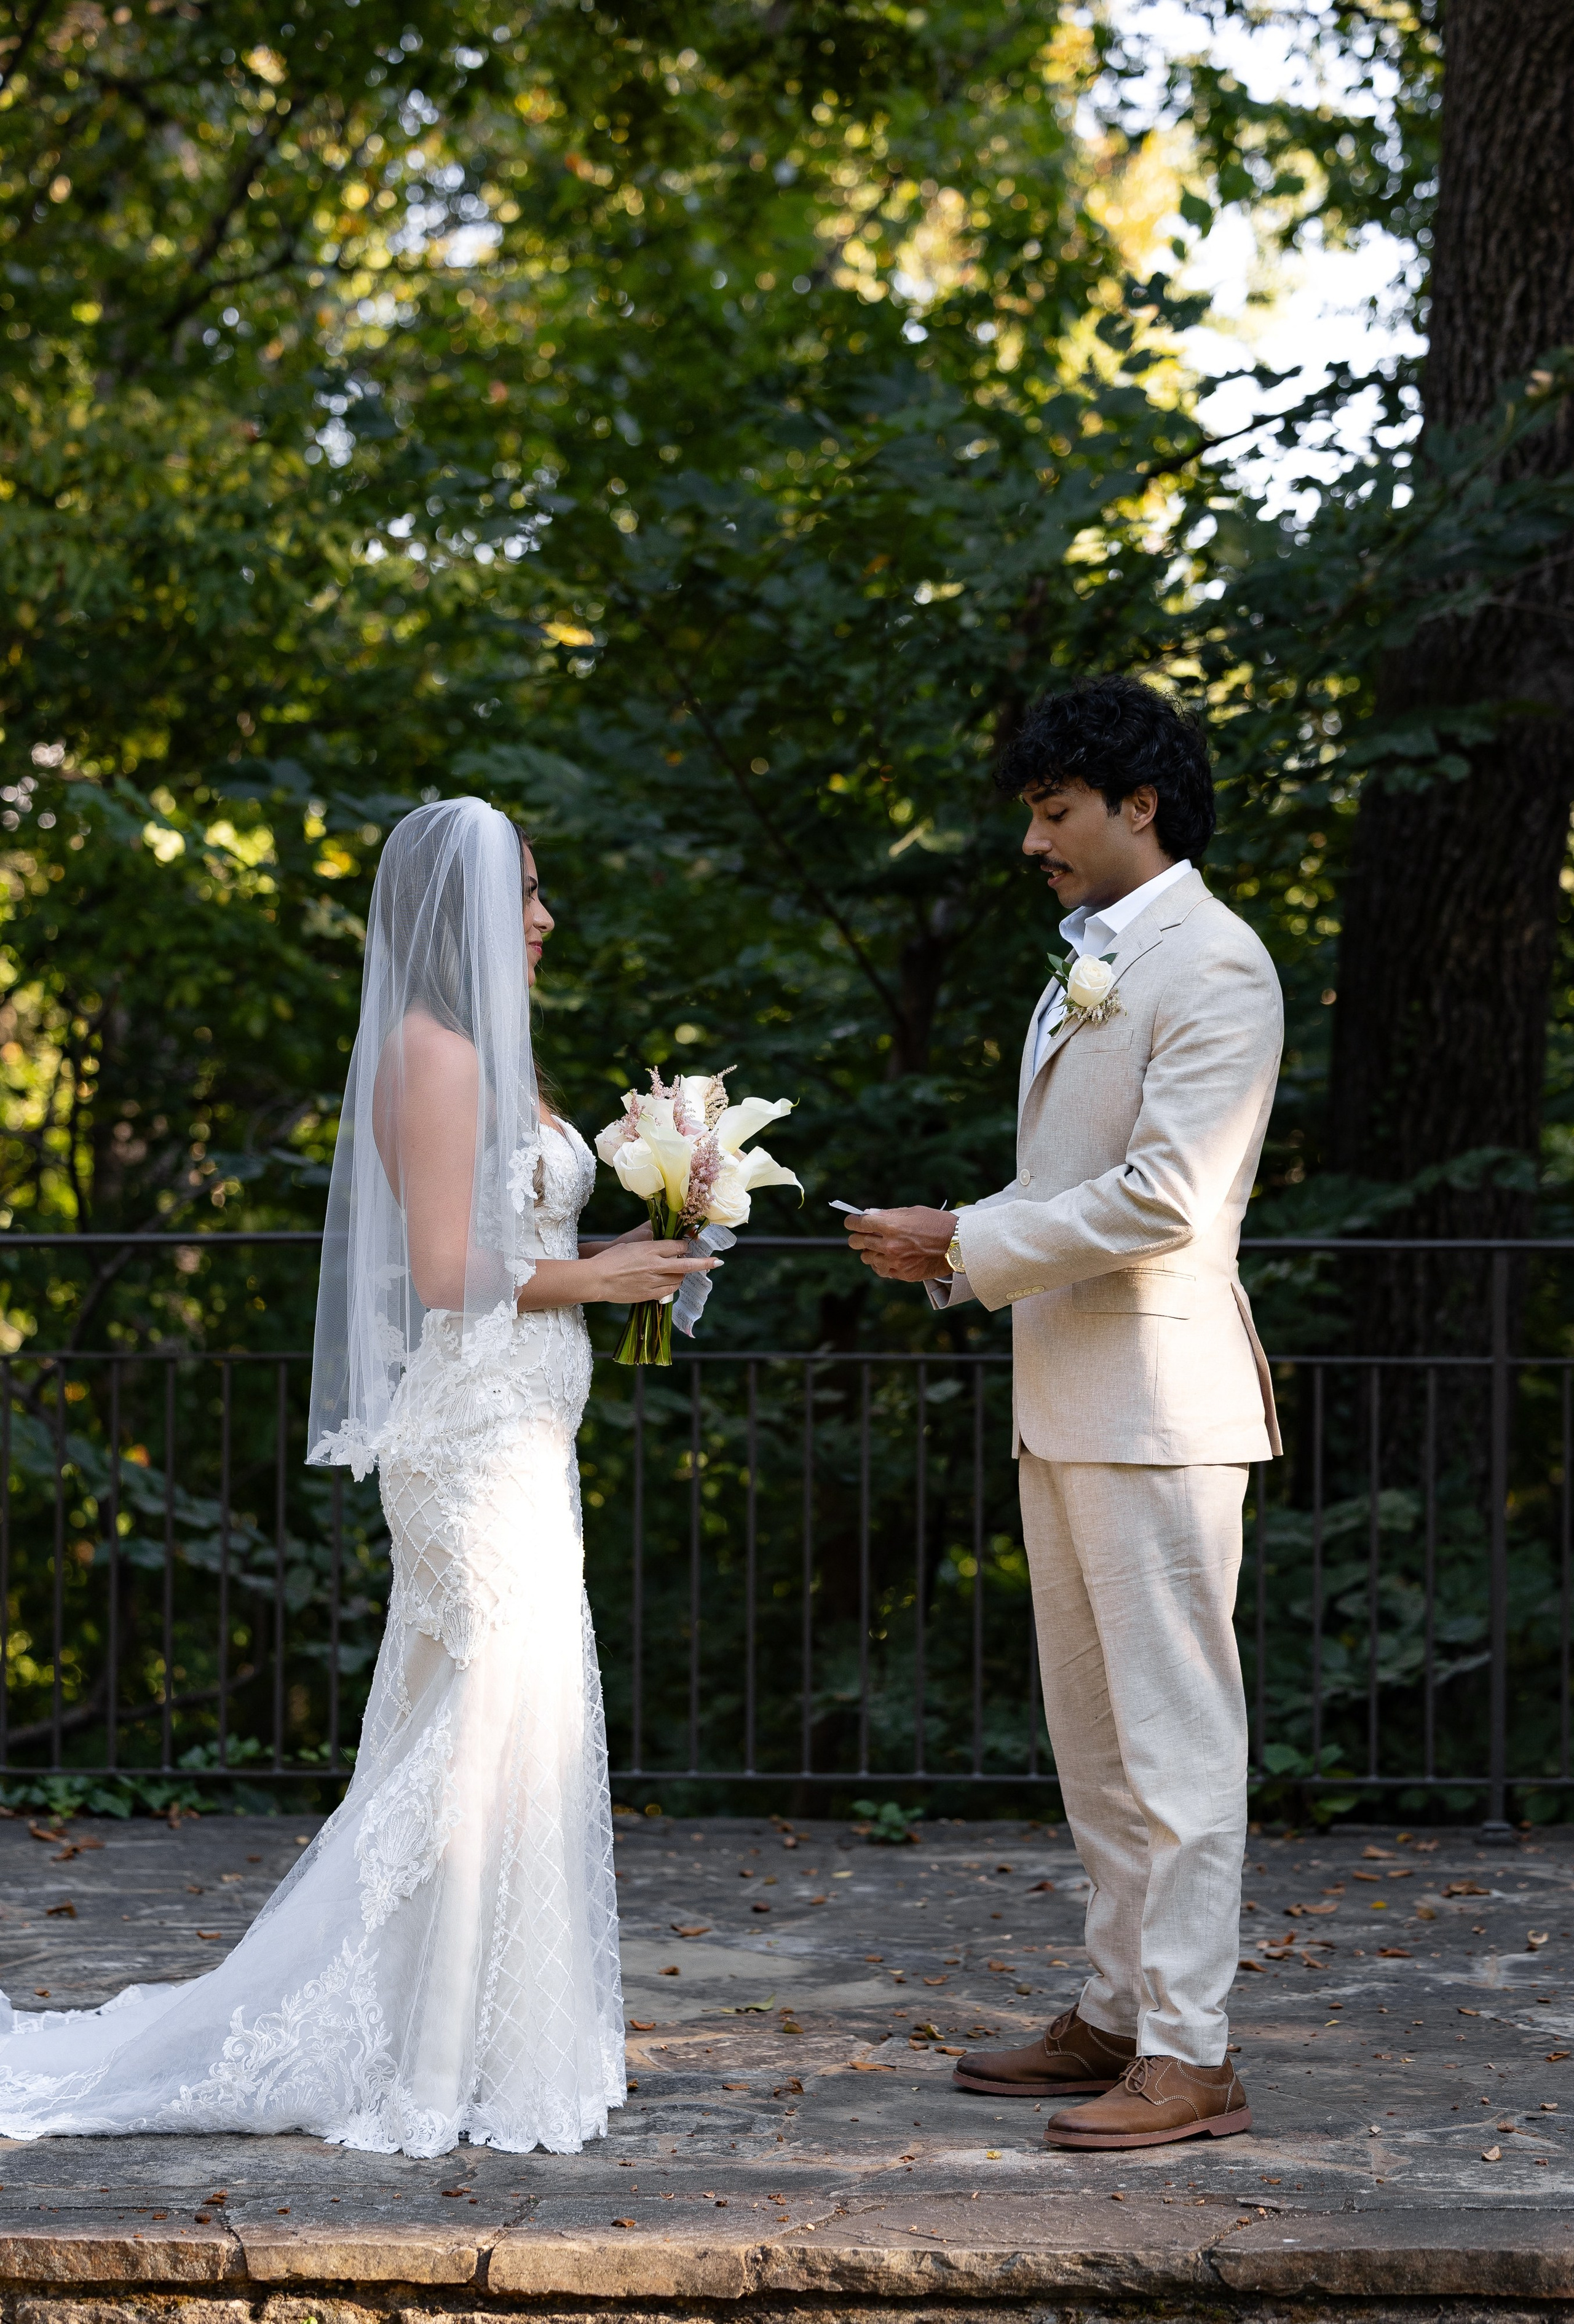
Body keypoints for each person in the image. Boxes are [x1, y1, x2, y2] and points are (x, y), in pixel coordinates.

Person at [0, 796, 712, 2156]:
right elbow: (449, 1275)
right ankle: (426, 2050)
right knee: (487, 1729)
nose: (547, 918)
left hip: (525, 1436)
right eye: (526, 896)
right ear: (465, 917)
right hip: (467, 1444)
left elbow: (519, 1237)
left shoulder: (502, 1061)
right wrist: (598, 1273)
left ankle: (502, 2040)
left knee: (521, 1720)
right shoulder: (433, 1056)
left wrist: (659, 1228)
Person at [846, 677, 1282, 2152]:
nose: (1033, 841)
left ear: (1135, 806)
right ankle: (1112, 2011)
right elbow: (1066, 1182)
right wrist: (955, 1245)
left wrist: (963, 1240)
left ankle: (1190, 2049)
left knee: (1173, 1744)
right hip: (1065, 1399)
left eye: (1052, 813)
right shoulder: (1087, 963)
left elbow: (1165, 1195)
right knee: (1092, 1743)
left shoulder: (1211, 963)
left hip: (1160, 1405)